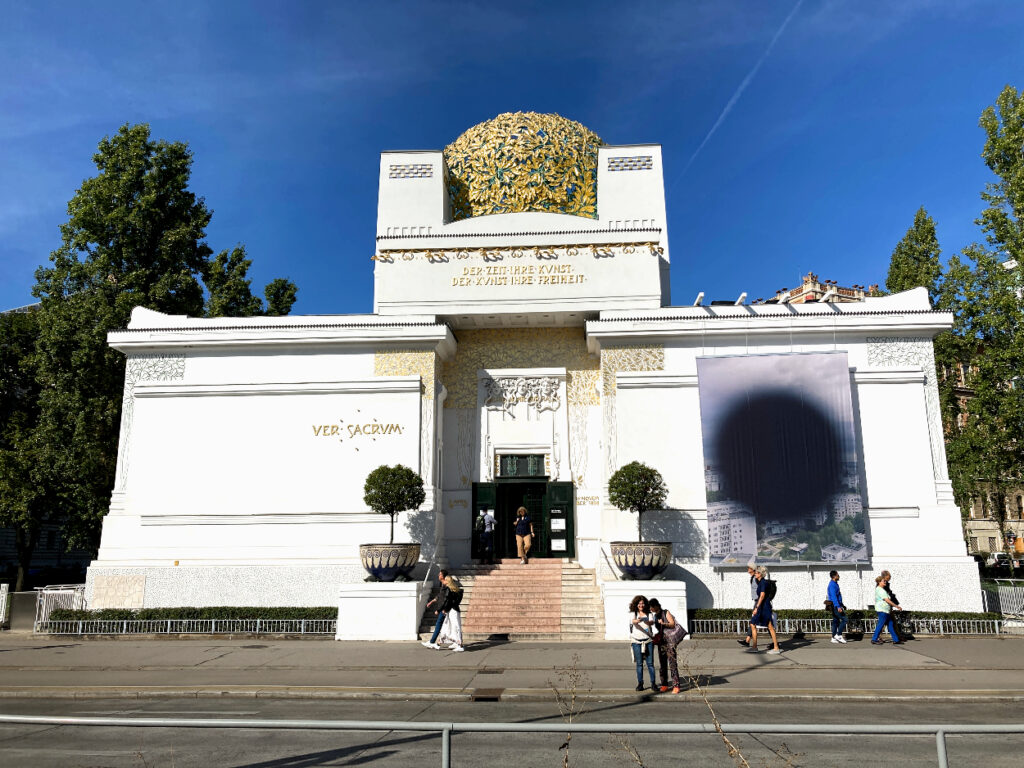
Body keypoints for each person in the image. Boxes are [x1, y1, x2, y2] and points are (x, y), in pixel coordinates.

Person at [648, 598, 688, 694]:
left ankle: (676, 685)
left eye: (651, 607)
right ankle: (664, 684)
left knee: (672, 663)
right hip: (662, 641)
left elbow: (672, 624)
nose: (650, 609)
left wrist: (664, 623)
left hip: (670, 641)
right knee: (662, 664)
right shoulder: (655, 616)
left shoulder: (665, 612)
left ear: (656, 606)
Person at [628, 595, 658, 692]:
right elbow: (633, 621)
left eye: (643, 603)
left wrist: (647, 621)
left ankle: (653, 684)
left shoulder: (649, 614)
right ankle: (640, 684)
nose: (641, 605)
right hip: (636, 641)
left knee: (650, 664)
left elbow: (651, 622)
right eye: (639, 603)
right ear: (636, 605)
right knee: (639, 664)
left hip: (648, 641)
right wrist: (639, 620)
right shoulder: (633, 613)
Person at [750, 565, 782, 654]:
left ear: (760, 574)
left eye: (756, 572)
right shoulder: (760, 582)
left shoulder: (763, 583)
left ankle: (776, 648)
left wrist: (756, 607)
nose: (755, 574)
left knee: (769, 626)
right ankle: (754, 646)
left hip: (764, 607)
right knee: (753, 624)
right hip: (762, 606)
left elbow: (762, 596)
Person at [421, 569, 451, 649]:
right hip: (443, 608)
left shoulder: (446, 586)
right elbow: (439, 596)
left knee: (439, 624)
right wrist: (432, 602)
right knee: (441, 625)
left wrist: (439, 609)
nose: (438, 575)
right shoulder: (443, 585)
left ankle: (432, 642)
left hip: (444, 608)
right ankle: (433, 641)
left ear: (443, 576)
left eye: (440, 574)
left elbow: (445, 599)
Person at [872, 573, 902, 645]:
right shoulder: (880, 590)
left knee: (890, 624)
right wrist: (896, 606)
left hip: (886, 610)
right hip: (882, 610)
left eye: (885, 581)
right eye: (883, 581)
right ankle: (874, 639)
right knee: (881, 624)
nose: (885, 582)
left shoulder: (882, 589)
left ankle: (896, 639)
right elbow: (887, 600)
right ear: (879, 582)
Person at [436, 574, 465, 652]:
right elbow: (455, 602)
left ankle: (459, 644)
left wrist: (444, 609)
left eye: (445, 580)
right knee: (453, 626)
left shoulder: (449, 590)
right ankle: (456, 642)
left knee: (454, 626)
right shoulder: (457, 590)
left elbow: (448, 601)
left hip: (452, 610)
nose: (444, 581)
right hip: (455, 610)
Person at [880, 569, 904, 641]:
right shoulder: (882, 585)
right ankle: (897, 637)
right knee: (886, 623)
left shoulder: (886, 584)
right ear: (885, 577)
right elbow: (885, 597)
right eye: (888, 577)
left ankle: (898, 637)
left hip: (887, 606)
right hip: (885, 606)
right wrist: (894, 604)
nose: (889, 578)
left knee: (888, 622)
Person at [737, 564, 758, 647]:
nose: (748, 569)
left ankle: (775, 643)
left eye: (749, 568)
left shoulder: (756, 578)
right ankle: (747, 640)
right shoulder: (753, 577)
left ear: (752, 569)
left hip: (759, 602)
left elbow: (762, 591)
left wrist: (758, 604)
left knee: (765, 623)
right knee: (755, 621)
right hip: (757, 601)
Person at [826, 570, 848, 643]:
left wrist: (842, 605)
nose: (839, 576)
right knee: (845, 619)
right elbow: (834, 596)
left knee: (836, 621)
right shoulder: (832, 585)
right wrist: (838, 606)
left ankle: (833, 637)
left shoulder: (835, 583)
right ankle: (839, 635)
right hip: (835, 605)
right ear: (834, 576)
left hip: (836, 604)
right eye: (838, 575)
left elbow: (838, 595)